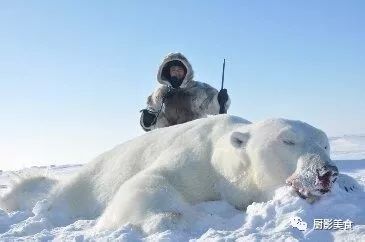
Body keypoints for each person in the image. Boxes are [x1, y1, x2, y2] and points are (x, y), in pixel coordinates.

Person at [140, 52, 230, 131]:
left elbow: (214, 108)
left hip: (194, 138)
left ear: (186, 71)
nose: (176, 72)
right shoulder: (160, 93)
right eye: (173, 70)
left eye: (180, 70)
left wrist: (220, 100)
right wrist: (147, 120)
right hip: (167, 140)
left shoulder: (198, 89)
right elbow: (152, 118)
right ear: (168, 72)